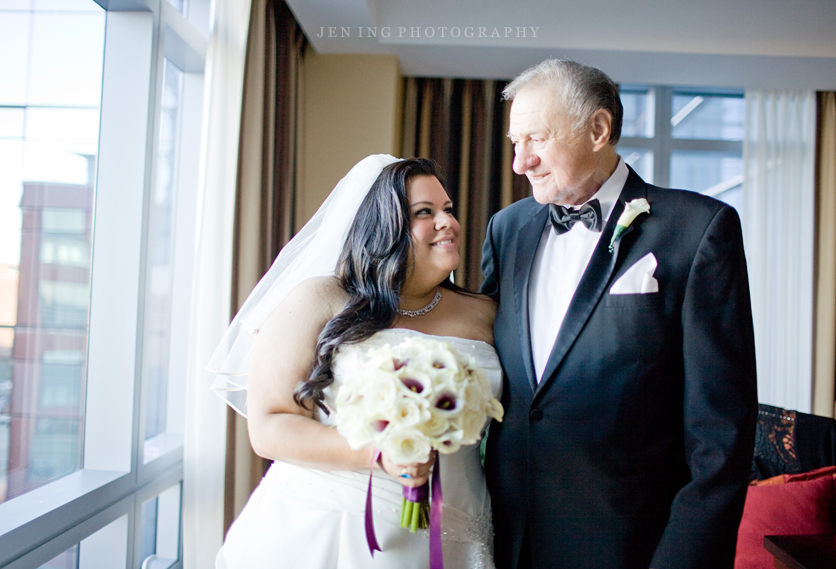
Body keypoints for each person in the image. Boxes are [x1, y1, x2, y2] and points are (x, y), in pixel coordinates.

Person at [480, 59, 758, 569]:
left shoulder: (698, 231)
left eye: (536, 139)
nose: (521, 163)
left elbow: (721, 436)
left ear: (598, 129)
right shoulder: (506, 229)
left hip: (628, 546)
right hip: (502, 543)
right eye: (515, 143)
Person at [208, 155, 500, 569]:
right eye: (424, 213)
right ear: (382, 226)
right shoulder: (318, 300)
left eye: (448, 210)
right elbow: (269, 425)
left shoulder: (484, 313)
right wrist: (380, 452)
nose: (447, 223)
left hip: (456, 525)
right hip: (330, 526)